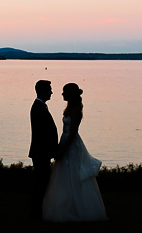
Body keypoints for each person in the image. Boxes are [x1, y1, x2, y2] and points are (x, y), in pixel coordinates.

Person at [42, 83, 107, 222]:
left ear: (70, 94)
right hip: (65, 141)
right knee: (64, 176)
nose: (62, 94)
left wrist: (63, 149)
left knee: (73, 175)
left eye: (64, 91)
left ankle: (78, 209)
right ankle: (66, 206)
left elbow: (72, 133)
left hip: (71, 146)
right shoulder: (69, 109)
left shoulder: (76, 110)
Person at [29, 79, 58, 220]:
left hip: (42, 151)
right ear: (43, 90)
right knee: (41, 182)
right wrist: (53, 149)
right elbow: (43, 133)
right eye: (49, 89)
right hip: (41, 151)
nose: (52, 92)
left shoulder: (41, 106)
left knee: (42, 181)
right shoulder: (38, 107)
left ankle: (39, 210)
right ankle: (37, 212)